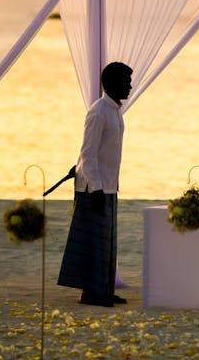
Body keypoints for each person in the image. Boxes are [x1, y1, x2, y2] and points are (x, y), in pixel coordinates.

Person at [57, 61, 133, 307]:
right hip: (94, 188)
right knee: (93, 242)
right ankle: (90, 294)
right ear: (111, 84)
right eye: (126, 81)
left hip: (108, 186)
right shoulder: (99, 111)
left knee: (107, 242)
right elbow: (87, 153)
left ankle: (103, 291)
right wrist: (97, 187)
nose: (130, 86)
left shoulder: (114, 110)